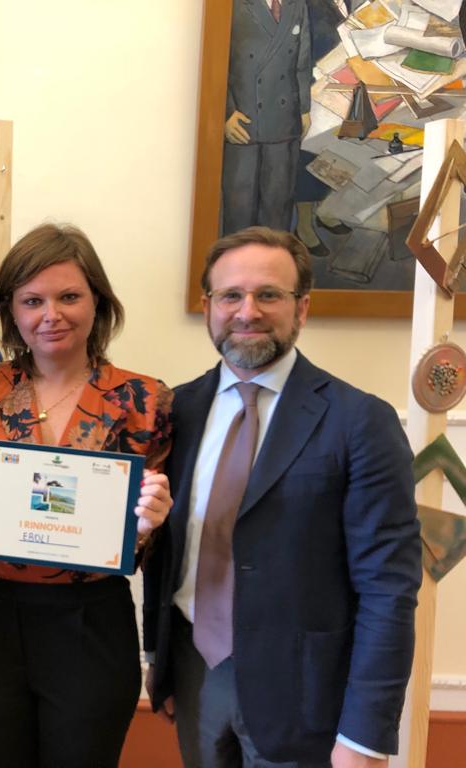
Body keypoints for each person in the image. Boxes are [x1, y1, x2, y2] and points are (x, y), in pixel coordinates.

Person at [143, 226, 421, 767]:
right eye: (231, 295)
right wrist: (160, 658)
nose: (247, 312)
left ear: (302, 308)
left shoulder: (360, 421)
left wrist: (365, 736)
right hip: (196, 675)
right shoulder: (176, 410)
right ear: (208, 306)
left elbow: (388, 588)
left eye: (269, 294)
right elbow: (166, 548)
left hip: (306, 695)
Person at [0, 223, 173, 768]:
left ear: (98, 301)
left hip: (90, 624)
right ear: (11, 311)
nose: (52, 315)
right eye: (33, 301)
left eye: (69, 296)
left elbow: (149, 545)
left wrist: (149, 524)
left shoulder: (144, 400)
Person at [222, 0, 311, 234]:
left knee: (278, 209)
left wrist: (303, 109)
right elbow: (214, 62)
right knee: (240, 210)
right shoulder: (232, 4)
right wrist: (226, 113)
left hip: (285, 123)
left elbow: (302, 61)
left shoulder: (297, 4)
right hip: (243, 124)